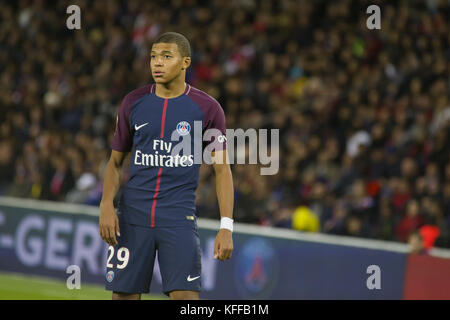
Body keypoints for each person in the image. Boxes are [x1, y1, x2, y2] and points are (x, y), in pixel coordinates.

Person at [99, 32, 234, 300]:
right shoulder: (132, 102)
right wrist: (106, 205)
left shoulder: (207, 108)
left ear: (185, 62)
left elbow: (222, 171)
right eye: (153, 56)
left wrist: (226, 226)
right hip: (132, 217)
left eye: (166, 56)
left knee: (186, 297)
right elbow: (115, 163)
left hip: (178, 218)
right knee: (123, 297)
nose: (156, 63)